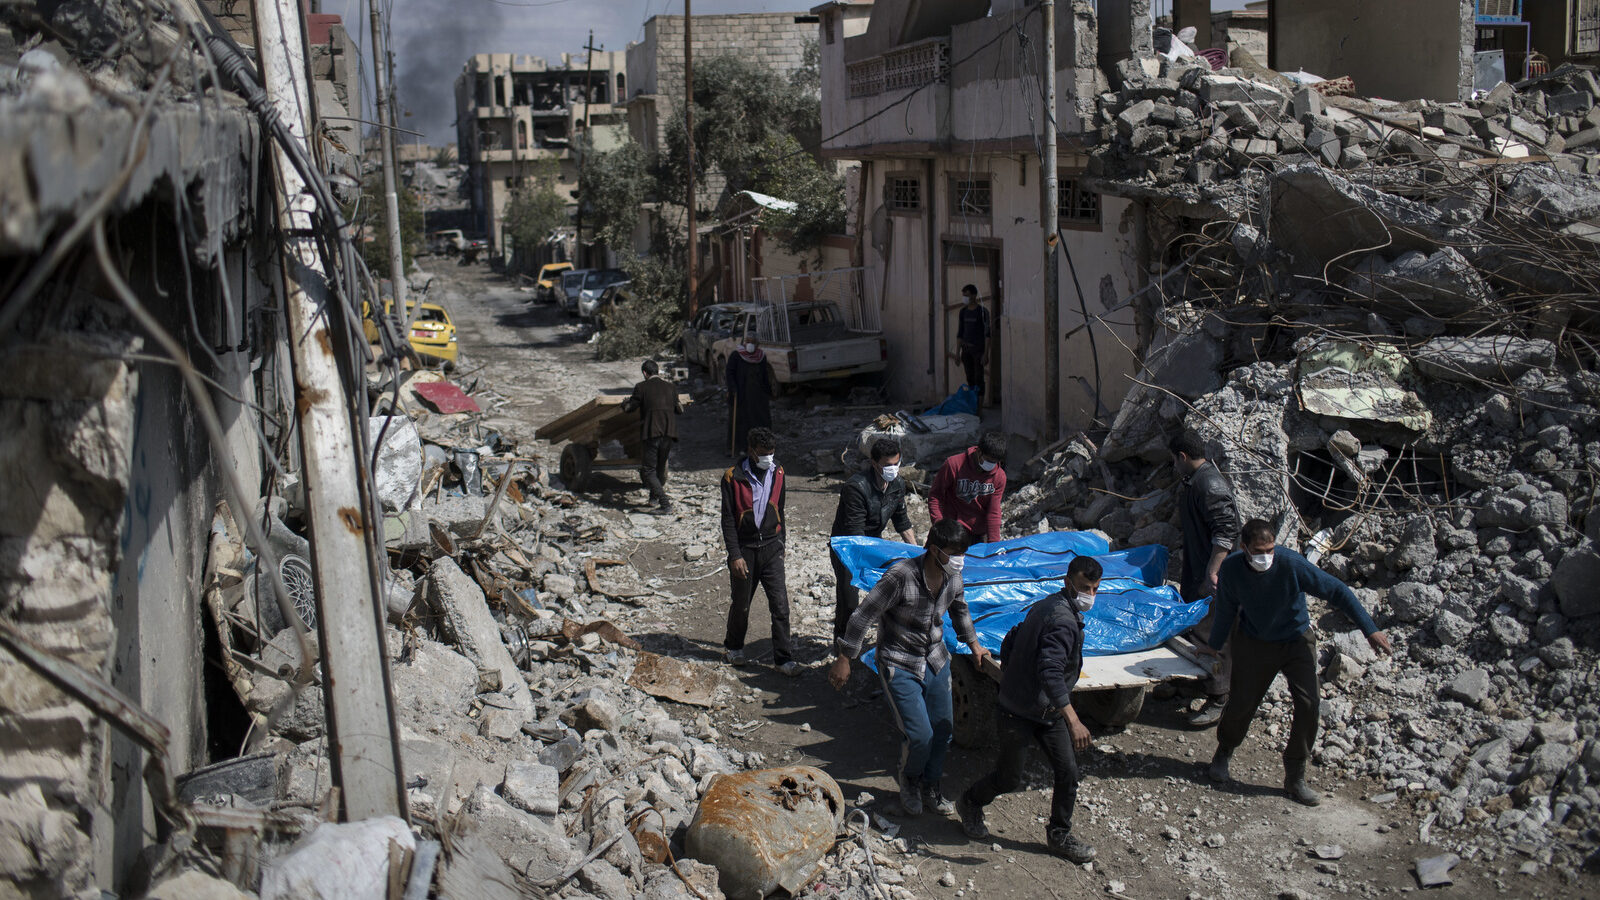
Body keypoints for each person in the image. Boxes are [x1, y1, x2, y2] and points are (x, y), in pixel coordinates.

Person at [1203, 518, 1392, 806]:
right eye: (1259, 550)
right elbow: (1226, 608)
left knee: (1308, 704)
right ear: (1244, 548)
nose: (1266, 556)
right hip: (1255, 641)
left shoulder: (1291, 564)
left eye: (1271, 549)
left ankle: (1295, 775)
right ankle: (1224, 752)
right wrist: (1213, 646)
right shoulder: (1231, 569)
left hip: (1296, 641)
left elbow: (1338, 591)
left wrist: (1370, 628)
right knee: (1242, 701)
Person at [829, 519, 991, 818]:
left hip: (935, 658)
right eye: (953, 552)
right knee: (919, 735)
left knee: (943, 730)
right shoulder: (901, 576)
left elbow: (960, 611)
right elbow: (863, 615)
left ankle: (931, 785)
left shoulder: (953, 577)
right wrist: (845, 657)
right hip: (898, 660)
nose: (959, 559)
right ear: (933, 549)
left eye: (962, 553)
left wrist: (975, 645)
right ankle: (911, 782)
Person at [957, 556, 1102, 864]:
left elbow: (1015, 636)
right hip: (1020, 711)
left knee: (1068, 772)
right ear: (1067, 583)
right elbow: (1051, 672)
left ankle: (1059, 833)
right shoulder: (1062, 620)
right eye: (1083, 588)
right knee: (1009, 778)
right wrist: (1074, 720)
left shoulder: (1051, 605)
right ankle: (970, 801)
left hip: (1046, 712)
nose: (1089, 595)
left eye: (1093, 588)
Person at [1170, 429, 1239, 728]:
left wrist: (1214, 570)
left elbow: (1227, 531)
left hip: (1212, 574)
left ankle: (1218, 696)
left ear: (1183, 457)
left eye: (1174, 460)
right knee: (1196, 629)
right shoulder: (1194, 480)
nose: (1173, 466)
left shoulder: (1210, 484)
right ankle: (1194, 683)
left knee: (1214, 634)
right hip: (1198, 567)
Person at [720, 427, 798, 675]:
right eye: (764, 453)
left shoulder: (779, 472)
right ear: (752, 451)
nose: (769, 458)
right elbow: (728, 519)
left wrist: (782, 542)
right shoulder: (732, 477)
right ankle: (733, 647)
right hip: (746, 550)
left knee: (781, 607)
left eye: (772, 453)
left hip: (772, 548)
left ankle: (783, 660)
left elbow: (781, 509)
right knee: (742, 604)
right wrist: (735, 555)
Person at [829, 438, 917, 644]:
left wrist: (918, 554)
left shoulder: (897, 485)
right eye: (887, 465)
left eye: (897, 464)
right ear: (874, 463)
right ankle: (843, 646)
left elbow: (902, 522)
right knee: (849, 600)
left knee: (889, 594)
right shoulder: (856, 487)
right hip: (848, 547)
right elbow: (856, 533)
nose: (893, 469)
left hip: (874, 542)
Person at [621, 359, 683, 513]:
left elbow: (630, 408)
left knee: (648, 470)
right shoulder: (671, 387)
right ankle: (653, 499)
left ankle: (665, 504)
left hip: (652, 432)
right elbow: (680, 410)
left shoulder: (641, 387)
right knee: (660, 468)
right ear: (657, 371)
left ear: (644, 373)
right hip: (669, 433)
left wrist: (624, 403)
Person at [928, 431, 1008, 544]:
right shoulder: (954, 464)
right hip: (952, 531)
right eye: (989, 461)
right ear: (979, 451)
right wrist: (939, 525)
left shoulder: (999, 477)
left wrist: (994, 545)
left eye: (995, 462)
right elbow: (936, 496)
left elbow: (994, 512)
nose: (991, 465)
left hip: (978, 534)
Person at [725, 335, 775, 457]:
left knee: (759, 421)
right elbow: (729, 373)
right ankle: (740, 447)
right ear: (744, 343)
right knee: (742, 422)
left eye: (753, 342)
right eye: (748, 342)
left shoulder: (760, 356)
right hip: (742, 395)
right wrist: (733, 388)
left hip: (758, 396)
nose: (750, 344)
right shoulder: (736, 355)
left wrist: (768, 392)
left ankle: (761, 447)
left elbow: (764, 375)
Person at [955, 284, 990, 403]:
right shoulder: (963, 312)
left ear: (974, 296)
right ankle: (973, 405)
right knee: (970, 379)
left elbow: (987, 335)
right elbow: (960, 333)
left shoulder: (982, 312)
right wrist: (957, 353)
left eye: (967, 295)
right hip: (966, 350)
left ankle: (979, 410)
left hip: (978, 351)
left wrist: (986, 354)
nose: (964, 298)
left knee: (979, 379)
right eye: (963, 295)